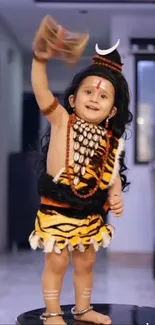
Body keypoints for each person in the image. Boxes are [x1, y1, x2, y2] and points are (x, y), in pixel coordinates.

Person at [29, 16, 133, 325]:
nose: (95, 98)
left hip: (90, 213)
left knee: (86, 263)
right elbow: (40, 89)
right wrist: (39, 60)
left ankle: (83, 309)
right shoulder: (62, 120)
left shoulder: (110, 140)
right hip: (58, 209)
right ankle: (51, 313)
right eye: (89, 93)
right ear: (73, 99)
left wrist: (115, 196)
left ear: (113, 110)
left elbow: (110, 172)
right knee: (57, 262)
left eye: (103, 96)